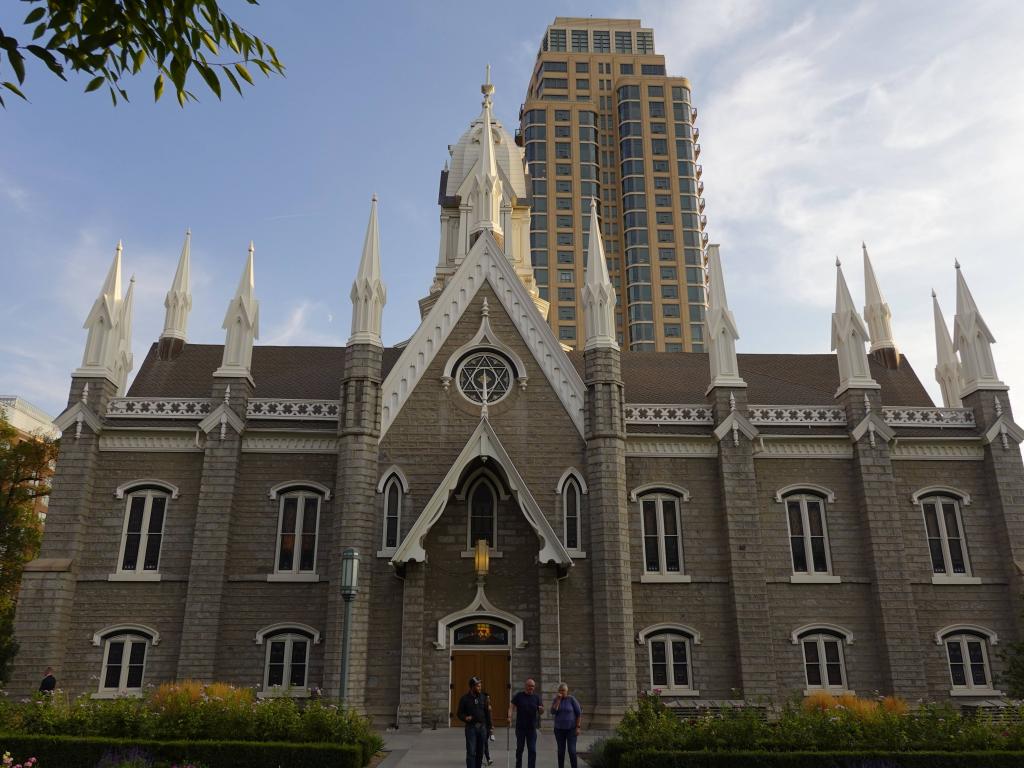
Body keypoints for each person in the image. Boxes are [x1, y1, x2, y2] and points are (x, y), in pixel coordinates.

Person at [457, 675, 493, 768]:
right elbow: (459, 713)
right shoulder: (464, 699)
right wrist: (465, 718)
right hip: (471, 728)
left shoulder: (484, 698)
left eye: (480, 685)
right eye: (477, 686)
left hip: (482, 728)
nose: (479, 687)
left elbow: (488, 714)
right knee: (471, 752)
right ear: (472, 687)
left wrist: (490, 728)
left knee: (480, 752)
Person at [508, 677, 544, 768]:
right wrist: (509, 716)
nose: (531, 687)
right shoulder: (519, 696)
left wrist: (541, 710)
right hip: (520, 728)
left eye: (532, 686)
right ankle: (518, 766)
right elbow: (511, 706)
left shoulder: (536, 697)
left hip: (531, 729)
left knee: (532, 750)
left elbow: (541, 711)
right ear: (525, 686)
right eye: (529, 686)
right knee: (520, 749)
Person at [550, 682, 582, 768]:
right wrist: (558, 700)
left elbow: (579, 714)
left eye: (563, 690)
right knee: (561, 751)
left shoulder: (572, 700)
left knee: (572, 751)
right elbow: (553, 712)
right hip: (559, 730)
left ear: (567, 691)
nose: (562, 692)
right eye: (560, 690)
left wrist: (578, 727)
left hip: (571, 730)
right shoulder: (556, 699)